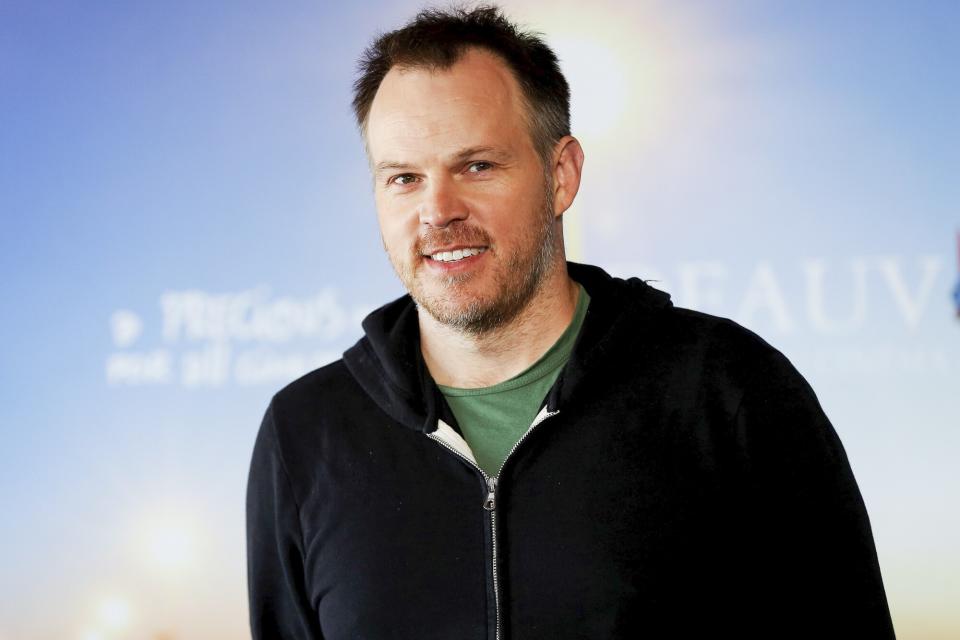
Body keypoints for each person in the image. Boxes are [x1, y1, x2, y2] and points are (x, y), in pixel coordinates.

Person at [245, 5, 896, 639]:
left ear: (561, 175)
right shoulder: (304, 434)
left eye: (477, 166)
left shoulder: (729, 392)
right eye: (405, 178)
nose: (438, 210)